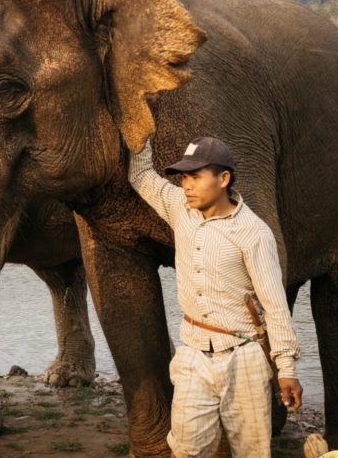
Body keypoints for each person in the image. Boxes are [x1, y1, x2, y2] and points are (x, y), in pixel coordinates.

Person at [128, 136, 302, 458]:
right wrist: (142, 127)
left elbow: (275, 305)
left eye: (196, 177)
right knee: (186, 450)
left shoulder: (253, 233)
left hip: (245, 357)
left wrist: (286, 368)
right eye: (183, 177)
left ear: (223, 179)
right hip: (193, 353)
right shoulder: (180, 209)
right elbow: (140, 176)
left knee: (251, 452)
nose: (187, 186)